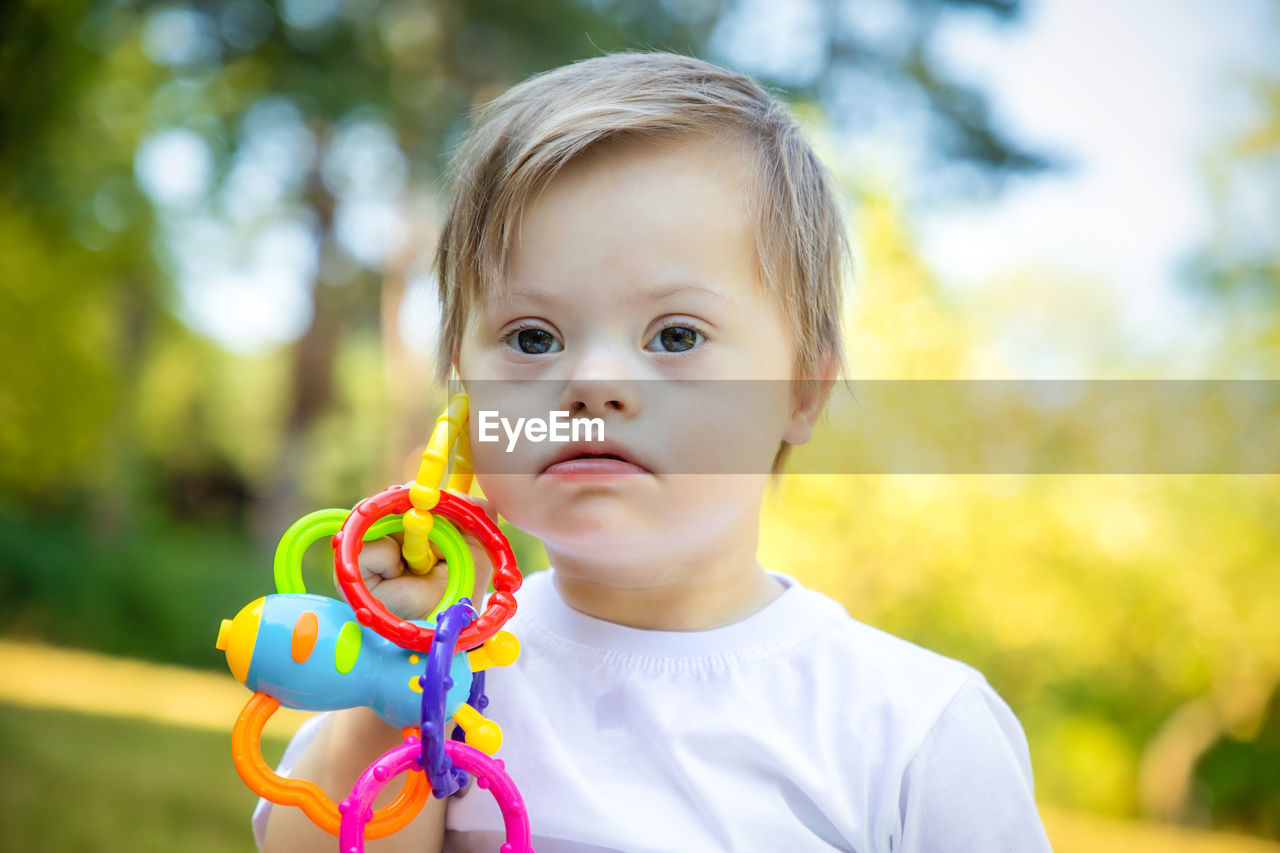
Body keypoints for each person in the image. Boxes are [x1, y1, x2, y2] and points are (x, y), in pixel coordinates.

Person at [257, 51, 1053, 852]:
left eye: (675, 336)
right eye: (533, 337)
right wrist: (395, 670)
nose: (594, 382)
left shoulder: (914, 729)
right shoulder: (447, 666)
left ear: (802, 392)